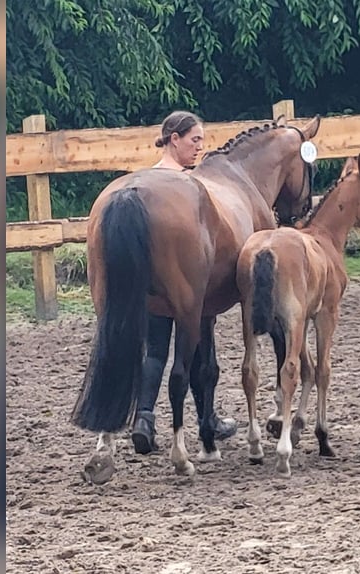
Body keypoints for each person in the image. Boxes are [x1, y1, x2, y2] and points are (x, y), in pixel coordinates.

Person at [131, 110, 238, 454]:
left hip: (150, 280)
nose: (199, 148)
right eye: (194, 140)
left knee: (155, 348)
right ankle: (206, 417)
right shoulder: (188, 188)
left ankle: (144, 417)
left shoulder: (146, 182)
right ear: (173, 139)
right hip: (188, 280)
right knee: (197, 343)